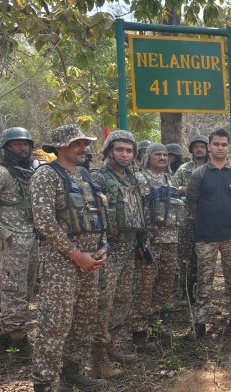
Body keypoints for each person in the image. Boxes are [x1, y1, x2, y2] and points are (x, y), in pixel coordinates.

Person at [30, 124, 108, 392]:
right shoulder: (46, 176)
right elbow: (44, 222)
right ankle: (45, 382)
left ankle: (72, 373)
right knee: (56, 322)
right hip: (61, 262)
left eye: (85, 143)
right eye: (78, 144)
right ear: (61, 147)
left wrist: (103, 247)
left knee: (84, 319)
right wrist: (76, 255)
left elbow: (99, 213)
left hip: (91, 261)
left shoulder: (86, 175)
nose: (84, 148)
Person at [0, 127, 38, 360]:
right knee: (13, 290)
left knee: (29, 288)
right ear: (6, 148)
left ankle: (11, 331)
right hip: (13, 242)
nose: (22, 148)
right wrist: (5, 233)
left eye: (26, 144)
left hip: (33, 239)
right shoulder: (0, 173)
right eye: (16, 144)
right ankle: (14, 341)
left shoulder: (31, 172)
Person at [90, 130, 145, 378]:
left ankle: (113, 346)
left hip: (129, 247)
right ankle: (98, 359)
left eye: (129, 150)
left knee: (123, 300)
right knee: (103, 302)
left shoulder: (131, 178)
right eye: (120, 149)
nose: (125, 154)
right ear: (109, 151)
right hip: (108, 250)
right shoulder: (97, 178)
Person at [185, 129, 231, 339]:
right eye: (216, 144)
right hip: (206, 236)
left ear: (229, 147)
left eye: (224, 144)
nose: (220, 148)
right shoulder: (199, 174)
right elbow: (192, 202)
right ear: (209, 147)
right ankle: (200, 323)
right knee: (204, 280)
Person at [134, 143, 182, 343]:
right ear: (148, 157)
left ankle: (154, 324)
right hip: (150, 241)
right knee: (145, 285)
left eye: (165, 155)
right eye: (158, 155)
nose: (162, 158)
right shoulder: (140, 178)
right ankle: (139, 329)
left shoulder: (170, 178)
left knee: (165, 283)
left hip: (171, 240)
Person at [173, 134, 209, 301]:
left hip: (208, 218)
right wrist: (183, 188)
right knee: (186, 255)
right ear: (192, 150)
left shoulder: (212, 167)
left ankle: (202, 290)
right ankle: (186, 290)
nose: (200, 149)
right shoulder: (184, 168)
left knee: (205, 256)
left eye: (202, 146)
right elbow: (173, 187)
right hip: (187, 219)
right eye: (196, 147)